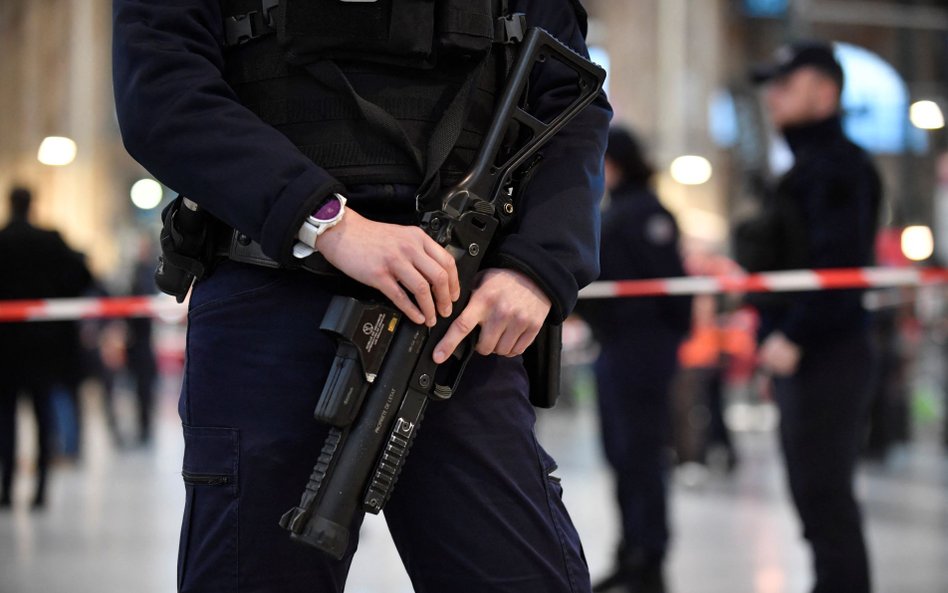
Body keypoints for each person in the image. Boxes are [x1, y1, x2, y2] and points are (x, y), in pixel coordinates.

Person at [112, 1, 611, 592]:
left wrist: (538, 266)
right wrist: (328, 222)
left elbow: (570, 102)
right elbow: (161, 88)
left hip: (457, 309)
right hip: (270, 295)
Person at [740, 41, 882, 593]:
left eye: (787, 84)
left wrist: (793, 336)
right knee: (813, 494)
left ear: (826, 93)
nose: (773, 96)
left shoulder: (839, 167)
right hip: (804, 354)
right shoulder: (803, 168)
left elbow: (841, 268)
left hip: (828, 352)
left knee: (825, 495)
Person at [577, 127, 691, 593]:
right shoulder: (616, 211)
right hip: (617, 346)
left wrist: (662, 343)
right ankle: (631, 552)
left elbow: (673, 291)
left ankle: (649, 557)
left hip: (642, 349)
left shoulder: (644, 213)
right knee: (622, 456)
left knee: (642, 456)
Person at [0, 186, 92, 509]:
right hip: (45, 347)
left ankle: (6, 490)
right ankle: (40, 491)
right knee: (43, 418)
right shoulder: (50, 241)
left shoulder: (2, 242)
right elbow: (83, 275)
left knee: (6, 420)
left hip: (6, 348)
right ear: (32, 205)